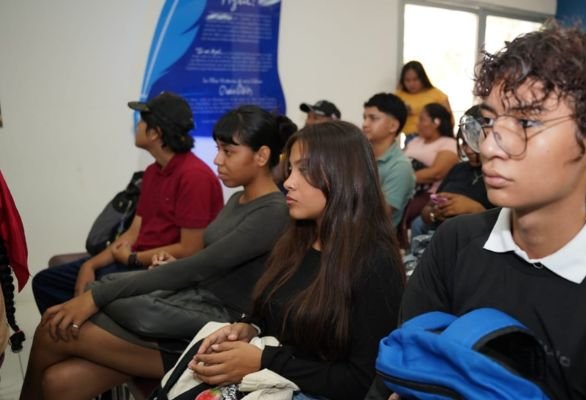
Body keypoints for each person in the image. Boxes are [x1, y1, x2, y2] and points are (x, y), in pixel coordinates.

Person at [368, 24, 586, 399]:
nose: (489, 146)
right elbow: (397, 375)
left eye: (526, 122)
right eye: (488, 122)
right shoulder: (455, 244)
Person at [20, 106, 293, 400]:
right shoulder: (238, 199)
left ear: (262, 156)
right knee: (58, 382)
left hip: (207, 333)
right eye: (218, 149)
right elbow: (213, 263)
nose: (217, 159)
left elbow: (202, 265)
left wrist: (98, 295)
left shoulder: (273, 211)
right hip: (188, 311)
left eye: (228, 151)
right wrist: (174, 261)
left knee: (52, 331)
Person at [188, 121, 405, 400]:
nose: (288, 181)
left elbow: (364, 380)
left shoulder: (374, 263)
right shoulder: (297, 239)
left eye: (305, 170)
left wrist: (264, 361)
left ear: (343, 176)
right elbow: (278, 311)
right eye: (290, 169)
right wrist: (249, 327)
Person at [32, 92, 224, 313]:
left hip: (158, 270)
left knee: (96, 288)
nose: (137, 126)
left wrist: (132, 258)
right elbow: (134, 233)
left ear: (155, 133)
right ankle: (75, 341)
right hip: (132, 262)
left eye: (142, 120)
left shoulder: (194, 176)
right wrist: (90, 264)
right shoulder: (153, 172)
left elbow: (190, 249)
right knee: (46, 282)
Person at [411, 105, 494, 239]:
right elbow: (427, 210)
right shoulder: (458, 169)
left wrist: (476, 209)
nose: (468, 150)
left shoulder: (497, 175)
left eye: (474, 141)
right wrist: (434, 212)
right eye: (464, 143)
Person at [362, 93, 415, 228]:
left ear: (393, 126)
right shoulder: (361, 156)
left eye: (373, 118)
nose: (365, 124)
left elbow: (379, 213)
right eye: (364, 117)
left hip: (373, 239)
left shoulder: (400, 166)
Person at [402, 103, 458, 228]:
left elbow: (436, 173)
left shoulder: (448, 144)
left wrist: (402, 178)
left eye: (422, 119)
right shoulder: (415, 141)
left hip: (428, 193)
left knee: (402, 212)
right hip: (406, 189)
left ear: (436, 122)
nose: (417, 124)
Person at [394, 61, 451, 138]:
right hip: (410, 136)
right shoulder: (399, 95)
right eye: (407, 80)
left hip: (434, 137)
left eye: (415, 79)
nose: (411, 84)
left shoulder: (437, 95)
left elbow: (449, 120)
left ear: (423, 78)